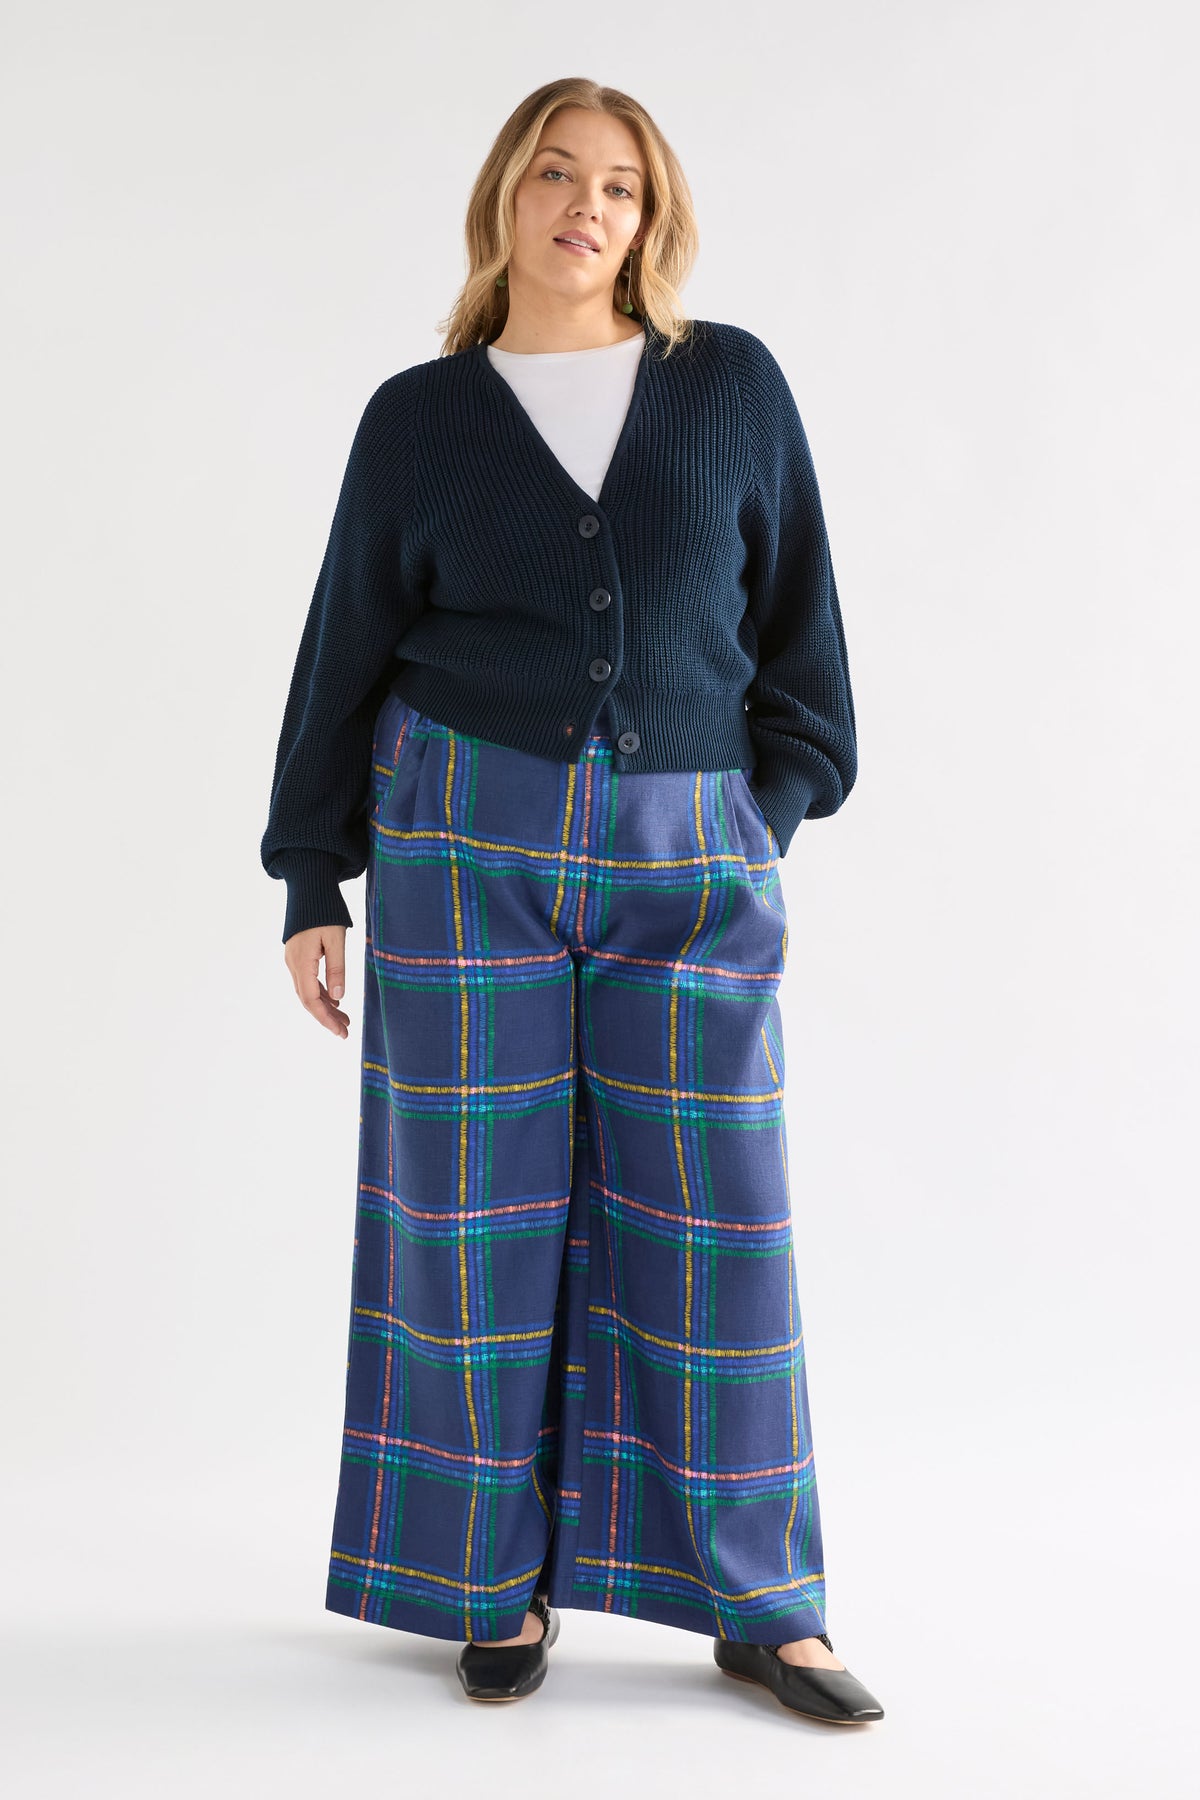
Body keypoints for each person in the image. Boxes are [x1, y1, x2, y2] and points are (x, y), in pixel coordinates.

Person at [260, 76, 884, 1724]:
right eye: (554, 173)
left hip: (693, 848)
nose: (584, 204)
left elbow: (801, 639)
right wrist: (312, 871)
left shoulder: (728, 386)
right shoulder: (421, 417)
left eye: (618, 183)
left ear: (650, 218)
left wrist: (759, 822)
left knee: (719, 1219)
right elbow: (343, 641)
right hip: (461, 843)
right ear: (504, 199)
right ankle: (492, 1584)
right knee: (471, 1219)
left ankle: (768, 1606)